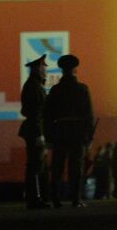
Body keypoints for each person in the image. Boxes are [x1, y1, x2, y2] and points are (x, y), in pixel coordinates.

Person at [44, 54, 94, 208]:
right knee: (76, 168)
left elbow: (47, 115)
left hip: (59, 132)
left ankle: (56, 199)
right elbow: (89, 114)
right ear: (75, 70)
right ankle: (76, 199)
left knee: (57, 167)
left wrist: (48, 136)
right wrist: (89, 136)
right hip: (77, 132)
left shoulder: (55, 90)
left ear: (62, 70)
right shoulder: (82, 89)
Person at [18, 54, 50, 209]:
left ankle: (37, 197)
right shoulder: (33, 86)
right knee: (36, 165)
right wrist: (40, 134)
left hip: (34, 130)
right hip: (35, 130)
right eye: (44, 67)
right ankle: (34, 198)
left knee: (37, 164)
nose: (46, 70)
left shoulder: (34, 85)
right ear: (38, 68)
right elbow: (35, 113)